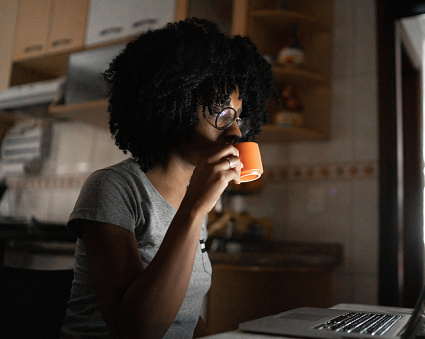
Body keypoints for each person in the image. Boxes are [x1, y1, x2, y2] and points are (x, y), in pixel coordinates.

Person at [60, 18, 276, 339]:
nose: (235, 133)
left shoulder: (195, 197)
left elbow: (183, 318)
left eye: (239, 118)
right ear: (176, 109)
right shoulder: (114, 188)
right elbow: (137, 330)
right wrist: (194, 208)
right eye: (222, 115)